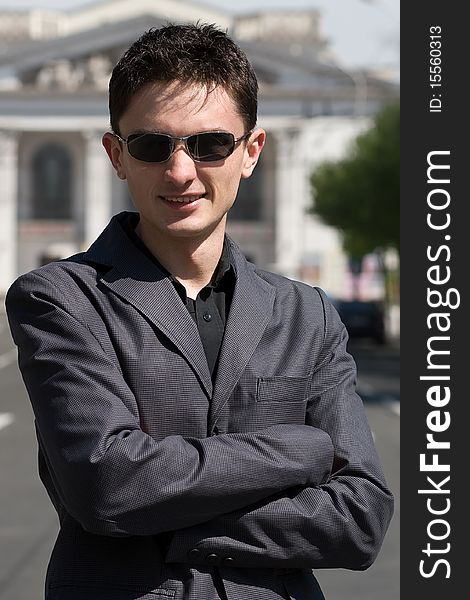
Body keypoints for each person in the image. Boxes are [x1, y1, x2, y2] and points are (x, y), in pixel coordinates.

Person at [6, 23, 393, 600]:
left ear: (251, 152)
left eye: (210, 144)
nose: (181, 171)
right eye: (152, 145)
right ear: (115, 155)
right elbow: (109, 485)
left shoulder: (305, 312)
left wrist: (165, 522)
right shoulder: (60, 298)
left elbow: (360, 519)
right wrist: (301, 449)